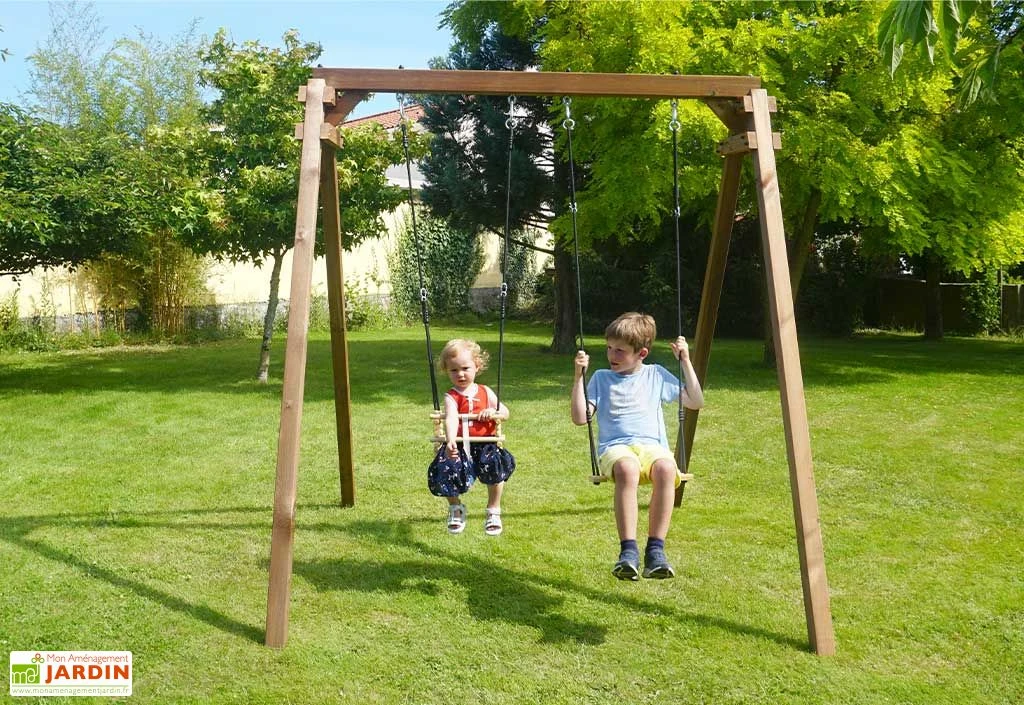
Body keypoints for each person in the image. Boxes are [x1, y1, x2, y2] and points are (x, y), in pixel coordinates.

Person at [571, 312, 704, 580]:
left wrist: (686, 361)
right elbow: (580, 418)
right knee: (627, 469)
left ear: (642, 353)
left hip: (652, 447)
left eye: (620, 350)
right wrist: (578, 379)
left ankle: (656, 552)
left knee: (667, 468)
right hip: (616, 448)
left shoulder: (656, 375)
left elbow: (695, 401)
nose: (612, 355)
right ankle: (628, 552)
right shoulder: (601, 378)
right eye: (609, 348)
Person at [428, 338, 515, 536]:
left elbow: (505, 412)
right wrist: (450, 440)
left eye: (465, 368)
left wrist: (492, 412)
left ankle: (493, 510)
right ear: (447, 371)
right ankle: (455, 508)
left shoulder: (486, 392)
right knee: (445, 469)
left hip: (485, 444)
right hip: (458, 444)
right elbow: (451, 418)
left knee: (495, 468)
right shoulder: (451, 396)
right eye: (454, 370)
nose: (460, 374)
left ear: (477, 366)